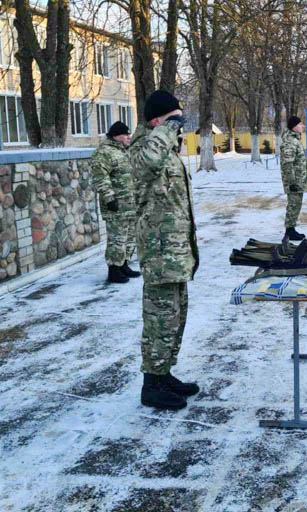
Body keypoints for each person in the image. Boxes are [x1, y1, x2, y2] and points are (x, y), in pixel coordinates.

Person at [129, 90, 200, 410]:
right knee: (159, 317)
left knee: (174, 316)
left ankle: (163, 372)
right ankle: (151, 384)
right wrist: (166, 130)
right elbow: (147, 163)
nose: (179, 126)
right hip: (159, 251)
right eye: (173, 119)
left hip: (173, 250)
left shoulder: (165, 148)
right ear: (156, 120)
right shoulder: (144, 147)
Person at [90, 121, 141, 284]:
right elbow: (100, 177)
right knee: (117, 239)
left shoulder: (124, 151)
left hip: (130, 205)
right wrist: (109, 198)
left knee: (129, 237)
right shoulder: (104, 152)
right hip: (116, 205)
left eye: (129, 134)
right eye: (125, 134)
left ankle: (124, 265)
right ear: (116, 136)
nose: (128, 137)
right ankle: (114, 270)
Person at [280, 115, 307, 241]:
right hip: (294, 182)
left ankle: (291, 230)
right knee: (293, 205)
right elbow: (287, 163)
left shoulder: (295, 140)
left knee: (296, 205)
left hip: (298, 180)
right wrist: (291, 182)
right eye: (300, 124)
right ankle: (289, 231)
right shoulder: (290, 142)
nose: (302, 126)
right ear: (293, 127)